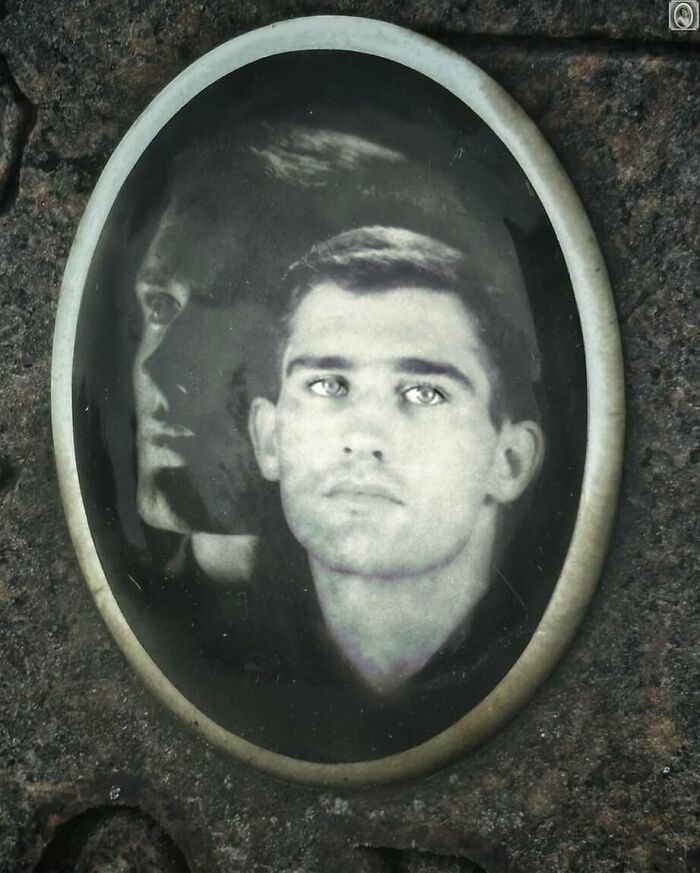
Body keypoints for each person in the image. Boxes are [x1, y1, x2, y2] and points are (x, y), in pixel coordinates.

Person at [248, 225, 545, 696]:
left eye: (424, 392)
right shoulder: (224, 660)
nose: (364, 438)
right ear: (269, 439)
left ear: (508, 461)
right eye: (328, 385)